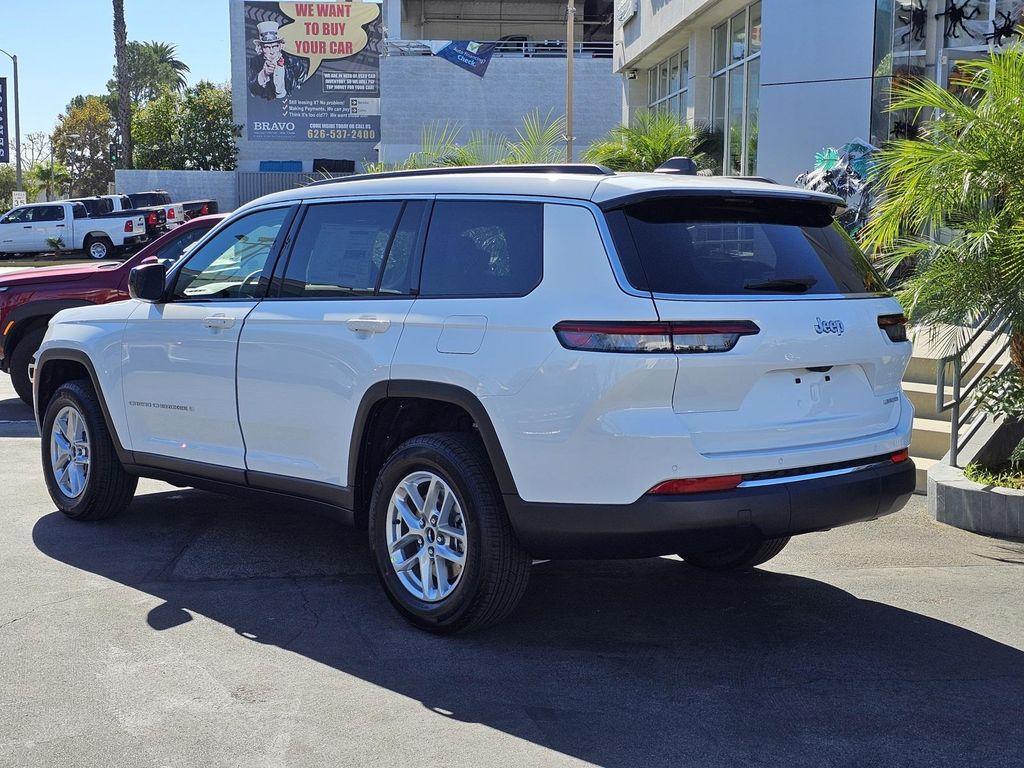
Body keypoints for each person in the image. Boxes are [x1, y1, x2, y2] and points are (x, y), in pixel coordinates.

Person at [248, 21, 308, 100]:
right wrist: (264, 74)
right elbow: (252, 90)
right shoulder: (255, 62)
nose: (272, 51)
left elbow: (303, 87)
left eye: (275, 46)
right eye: (267, 47)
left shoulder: (294, 63)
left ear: (280, 46)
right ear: (261, 48)